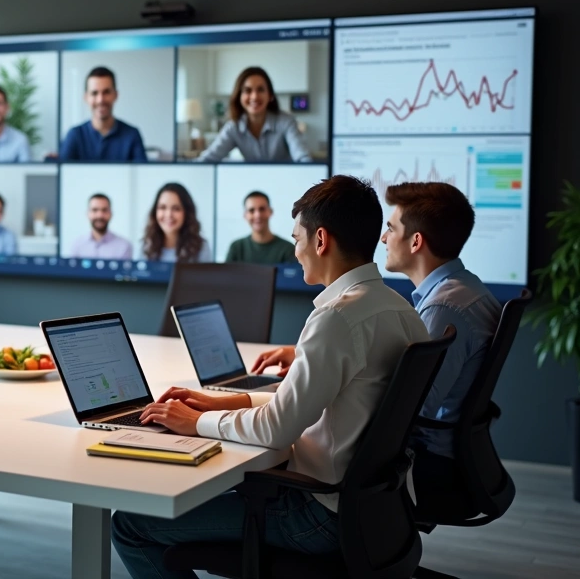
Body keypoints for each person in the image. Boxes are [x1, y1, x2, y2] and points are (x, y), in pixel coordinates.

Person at [112, 175, 429, 579]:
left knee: (130, 524)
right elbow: (315, 399)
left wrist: (197, 423)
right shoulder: (401, 311)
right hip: (375, 508)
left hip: (316, 514)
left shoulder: (336, 318)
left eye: (297, 238)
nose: (295, 251)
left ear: (320, 240)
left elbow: (278, 429)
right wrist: (222, 402)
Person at [381, 181, 499, 512]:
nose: (383, 238)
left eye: (390, 228)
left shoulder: (443, 308)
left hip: (431, 463)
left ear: (416, 241)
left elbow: (412, 409)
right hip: (460, 456)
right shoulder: (467, 288)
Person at [195, 67, 313, 163]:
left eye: (260, 90)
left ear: (270, 95)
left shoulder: (287, 122)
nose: (254, 96)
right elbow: (208, 159)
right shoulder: (233, 127)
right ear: (239, 96)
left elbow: (303, 158)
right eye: (247, 90)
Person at [58, 67, 147, 162]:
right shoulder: (74, 135)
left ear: (115, 95)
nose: (100, 100)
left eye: (106, 92)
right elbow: (63, 173)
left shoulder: (132, 135)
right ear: (86, 97)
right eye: (94, 93)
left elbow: (143, 174)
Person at [140, 183, 211, 263]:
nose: (168, 215)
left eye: (176, 209)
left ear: (186, 213)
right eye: (162, 207)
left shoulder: (201, 248)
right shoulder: (146, 246)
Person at [224, 191, 297, 264]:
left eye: (262, 209)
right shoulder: (236, 248)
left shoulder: (287, 249)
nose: (257, 215)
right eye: (251, 210)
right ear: (245, 215)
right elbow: (225, 275)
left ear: (270, 212)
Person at [70, 193, 133, 259]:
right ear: (87, 213)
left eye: (104, 210)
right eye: (95, 210)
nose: (100, 215)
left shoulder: (124, 246)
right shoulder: (77, 245)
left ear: (111, 214)